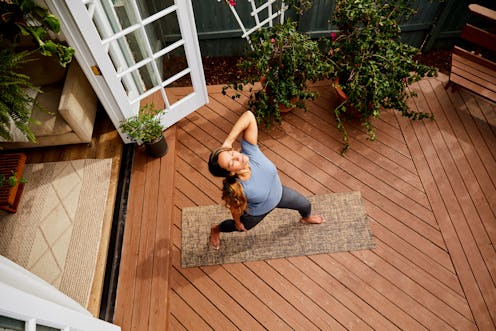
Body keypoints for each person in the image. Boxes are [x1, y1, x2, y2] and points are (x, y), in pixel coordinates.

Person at [208, 110, 325, 249]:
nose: (237, 156)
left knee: (305, 205)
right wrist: (237, 222)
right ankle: (216, 229)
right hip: (259, 211)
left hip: (280, 194)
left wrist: (227, 142)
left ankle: (306, 218)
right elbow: (234, 209)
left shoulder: (250, 151)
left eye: (231, 152)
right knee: (241, 227)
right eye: (232, 163)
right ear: (231, 172)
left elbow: (249, 116)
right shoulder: (238, 188)